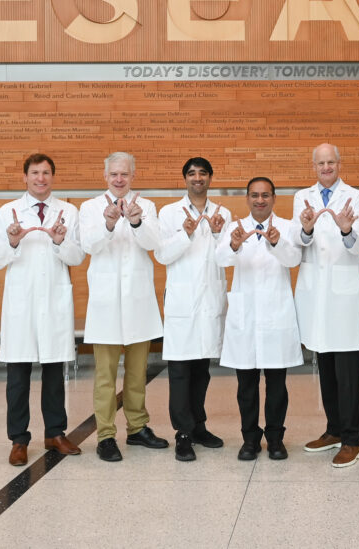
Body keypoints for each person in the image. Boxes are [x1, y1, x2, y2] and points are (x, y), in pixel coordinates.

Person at [0, 153, 84, 466]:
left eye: (46, 173)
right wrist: (12, 243)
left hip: (54, 301)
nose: (41, 178)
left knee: (55, 373)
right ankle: (18, 439)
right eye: (35, 173)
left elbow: (77, 256)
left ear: (53, 177)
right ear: (24, 177)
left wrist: (58, 242)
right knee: (18, 377)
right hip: (21, 304)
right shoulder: (7, 212)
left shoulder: (67, 211)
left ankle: (55, 433)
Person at [79, 152, 167, 462]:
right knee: (105, 374)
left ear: (133, 175)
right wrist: (108, 223)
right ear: (105, 175)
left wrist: (137, 221)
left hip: (138, 301)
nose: (119, 179)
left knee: (137, 372)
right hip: (105, 304)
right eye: (114, 174)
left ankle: (137, 428)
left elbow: (154, 243)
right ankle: (105, 435)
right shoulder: (89, 207)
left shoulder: (147, 206)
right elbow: (87, 246)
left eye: (125, 174)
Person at [216, 177, 303, 461]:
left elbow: (293, 260)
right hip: (246, 316)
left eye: (265, 195)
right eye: (254, 195)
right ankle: (250, 439)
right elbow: (221, 260)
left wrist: (277, 243)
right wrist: (234, 244)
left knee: (277, 384)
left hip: (276, 314)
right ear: (247, 199)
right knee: (246, 385)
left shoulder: (288, 226)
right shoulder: (234, 227)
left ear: (274, 198)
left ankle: (276, 439)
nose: (260, 200)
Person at [294, 143, 359, 468]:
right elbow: (298, 242)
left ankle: (352, 439)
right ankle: (334, 429)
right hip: (316, 292)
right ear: (314, 166)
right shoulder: (302, 197)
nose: (326, 168)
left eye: (330, 162)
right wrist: (307, 229)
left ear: (340, 163)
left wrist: (347, 229)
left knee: (347, 370)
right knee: (324, 363)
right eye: (320, 163)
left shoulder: (357, 198)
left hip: (343, 294)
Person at [155, 157, 230, 462]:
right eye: (191, 174)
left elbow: (228, 256)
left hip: (209, 299)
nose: (197, 178)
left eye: (202, 173)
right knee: (180, 371)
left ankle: (199, 425)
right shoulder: (170, 212)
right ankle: (183, 433)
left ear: (210, 178)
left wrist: (215, 234)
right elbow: (162, 254)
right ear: (184, 178)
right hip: (182, 303)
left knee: (202, 370)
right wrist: (184, 234)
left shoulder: (222, 213)